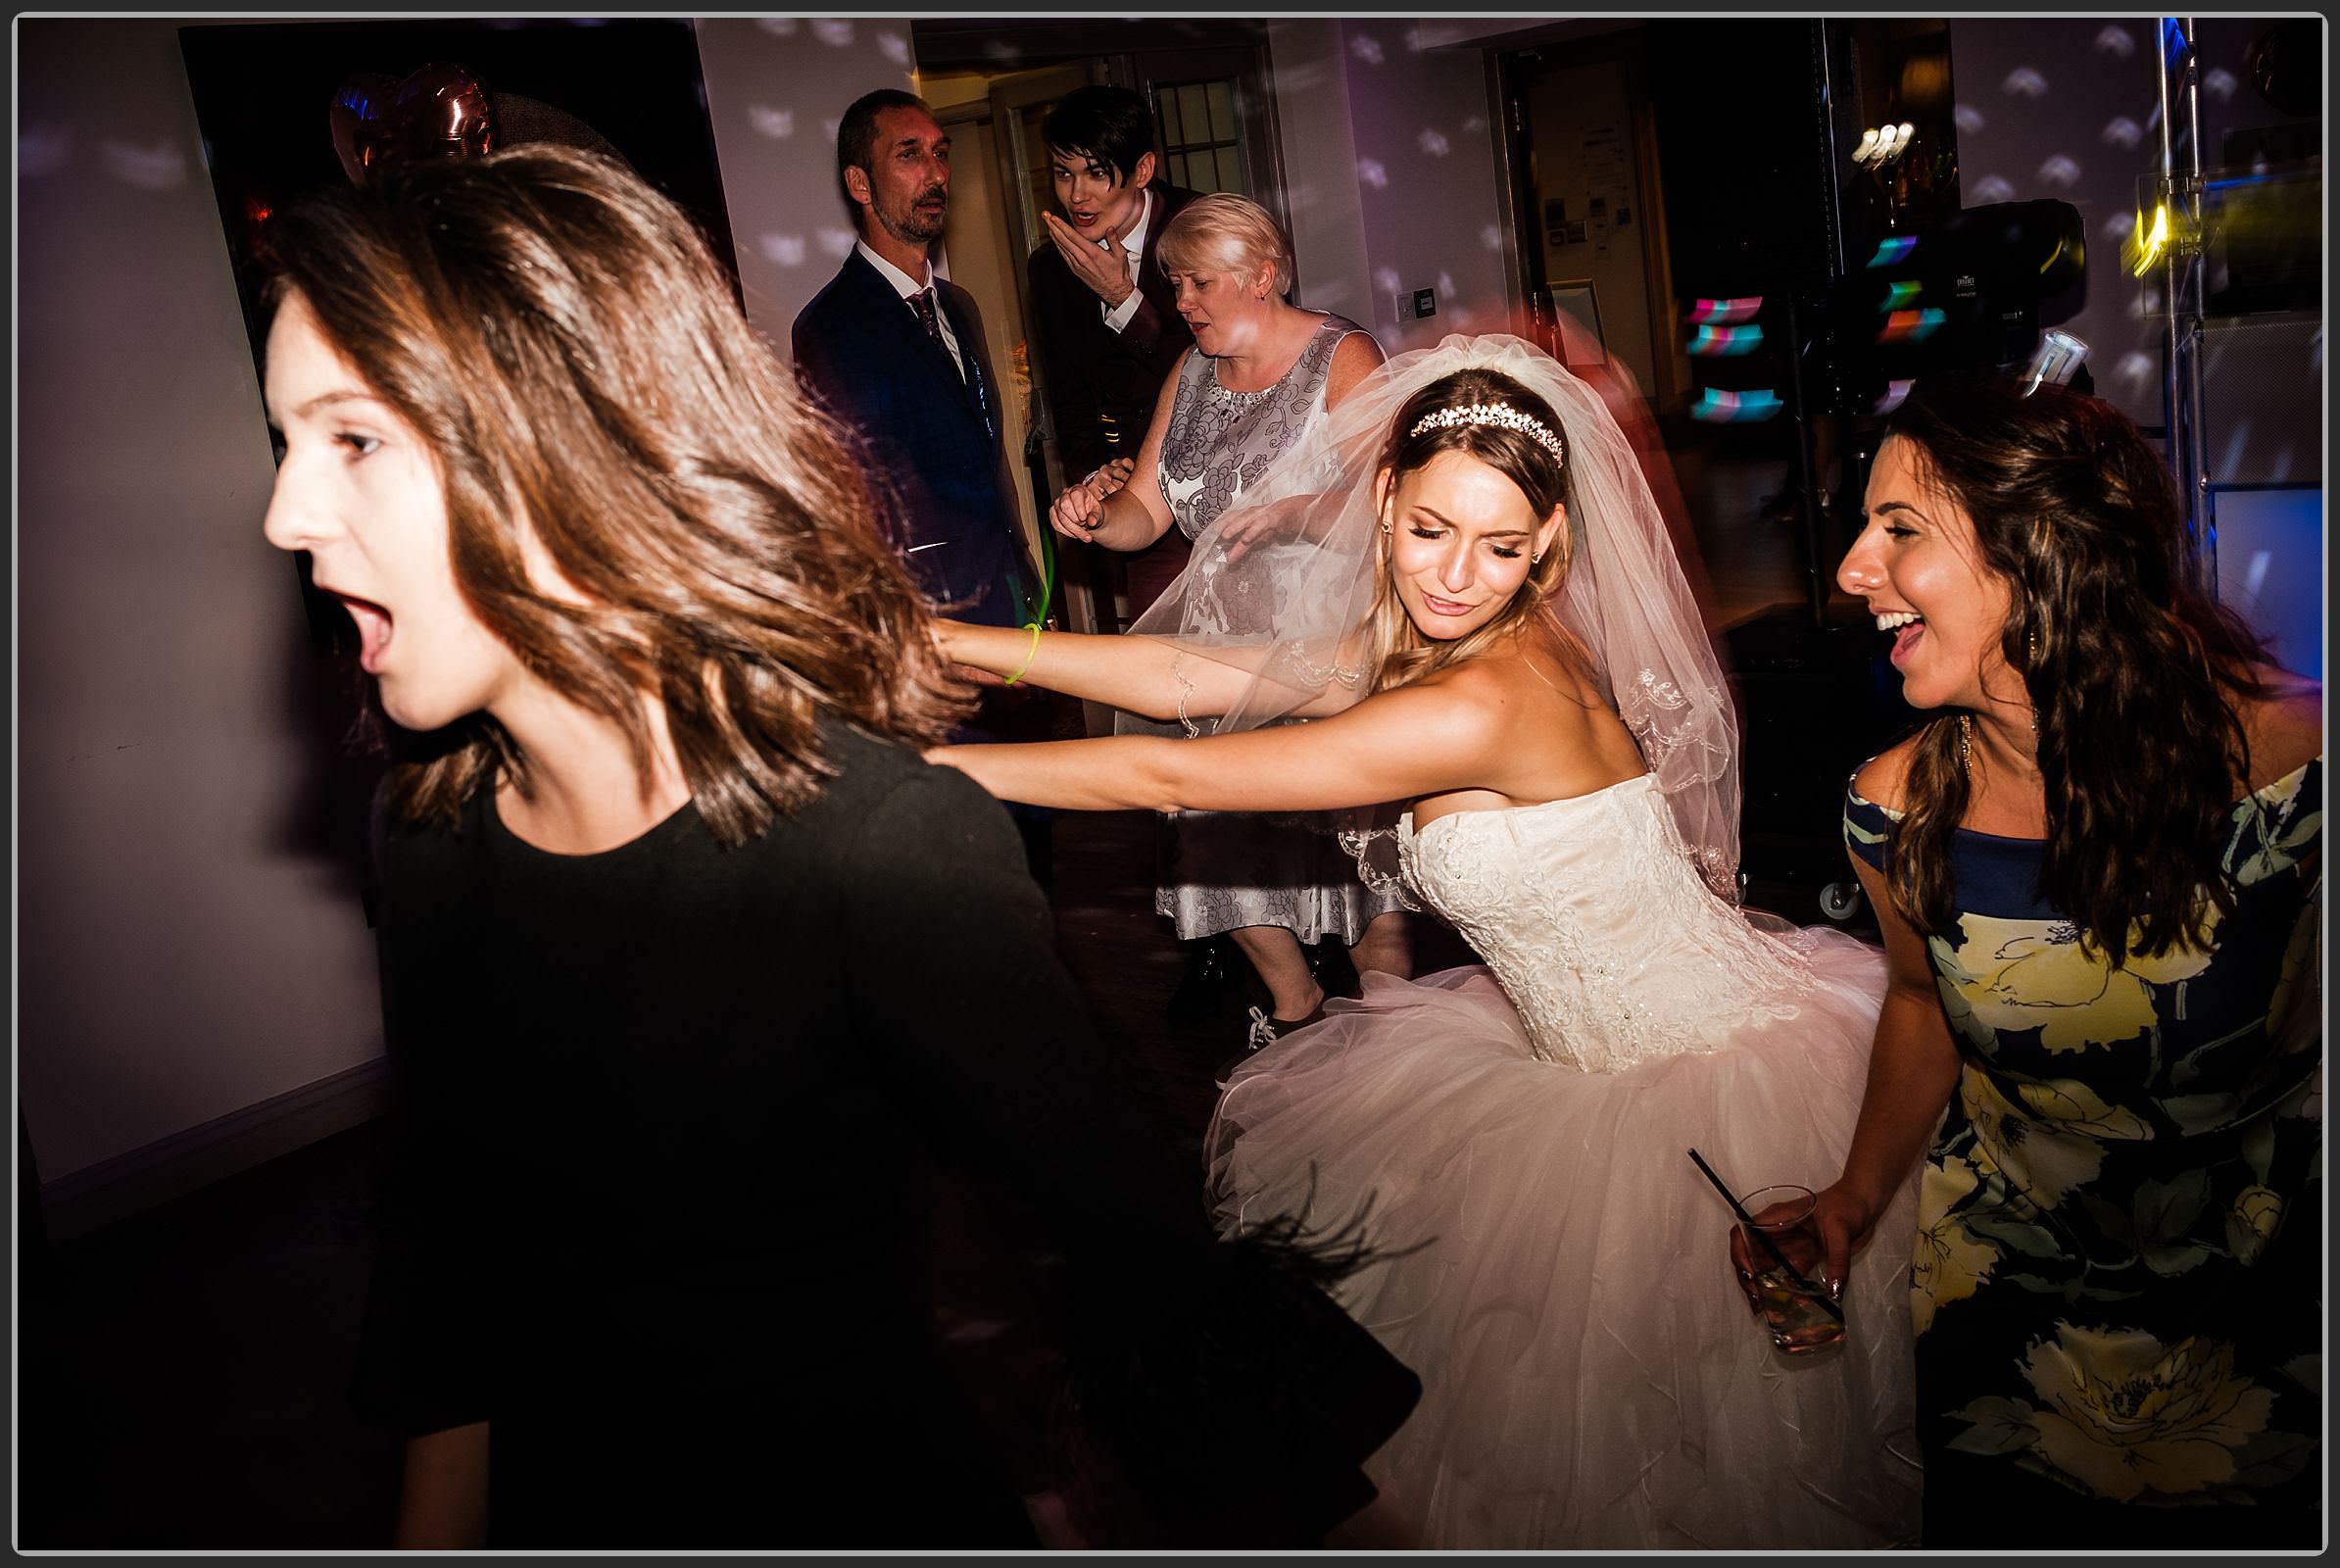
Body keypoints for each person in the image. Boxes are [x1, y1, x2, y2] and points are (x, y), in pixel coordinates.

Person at [258, 143, 1419, 1550]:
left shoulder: (877, 847)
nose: (288, 518)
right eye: (291, 445)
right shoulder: (426, 835)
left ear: (573, 443)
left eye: (355, 441)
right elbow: (455, 1284)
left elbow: (1149, 1292)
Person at [931, 333, 1925, 1549]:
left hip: (1699, 1091)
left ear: (1549, 542)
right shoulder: (1453, 642)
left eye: (1503, 546)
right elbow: (1193, 668)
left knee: (1687, 1463)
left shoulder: (1483, 695)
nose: (1459, 573)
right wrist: (955, 642)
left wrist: (916, 772)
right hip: (1582, 1061)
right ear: (1387, 497)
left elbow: (1158, 765)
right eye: (1433, 531)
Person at [1807, 375, 2322, 1549]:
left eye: (1899, 530)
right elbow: (1917, 1005)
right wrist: (1852, 1195)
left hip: (2266, 1291)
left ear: (2039, 553)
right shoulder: (1893, 809)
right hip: (2010, 1300)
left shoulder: (2298, 773)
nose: (1852, 570)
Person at [1049, 192, 1412, 1049]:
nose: (1183, 304)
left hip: (1323, 646)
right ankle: (1296, 1014)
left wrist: (1293, 515)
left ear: (1263, 275)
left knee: (1356, 857)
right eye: (1174, 284)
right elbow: (1148, 508)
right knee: (1218, 842)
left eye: (1199, 283)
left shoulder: (1343, 357)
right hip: (1218, 650)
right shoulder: (1190, 374)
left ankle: (1399, 1054)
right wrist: (1097, 517)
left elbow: (1389, 497)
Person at [791, 88, 1053, 883]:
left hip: (1009, 601)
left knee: (1036, 824)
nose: (935, 171)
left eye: (940, 153)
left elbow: (984, 461)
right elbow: (865, 497)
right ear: (861, 185)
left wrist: (1025, 574)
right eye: (910, 154)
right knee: (969, 840)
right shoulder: (830, 324)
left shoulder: (962, 308)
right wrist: (928, 635)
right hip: (935, 626)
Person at [1026, 84, 1200, 616]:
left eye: (1096, 173)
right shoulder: (1049, 267)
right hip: (1136, 504)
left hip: (1223, 478)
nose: (1077, 196)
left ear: (1143, 170)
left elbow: (1218, 362)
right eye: (1063, 173)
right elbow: (1071, 395)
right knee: (1162, 675)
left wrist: (1123, 299)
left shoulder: (1200, 227)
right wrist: (1096, 474)